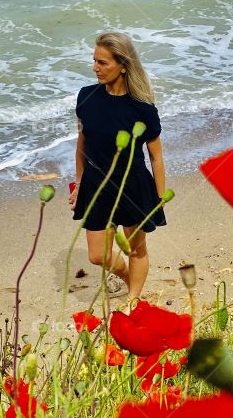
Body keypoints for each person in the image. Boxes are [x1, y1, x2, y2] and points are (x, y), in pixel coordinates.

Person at [68, 32, 166, 306]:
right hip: (96, 185)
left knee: (136, 249)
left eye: (102, 63)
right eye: (94, 61)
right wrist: (78, 185)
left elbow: (156, 157)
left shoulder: (143, 108)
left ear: (123, 65)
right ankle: (126, 278)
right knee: (98, 255)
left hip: (133, 186)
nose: (94, 68)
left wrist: (158, 198)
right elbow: (81, 146)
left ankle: (133, 300)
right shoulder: (86, 97)